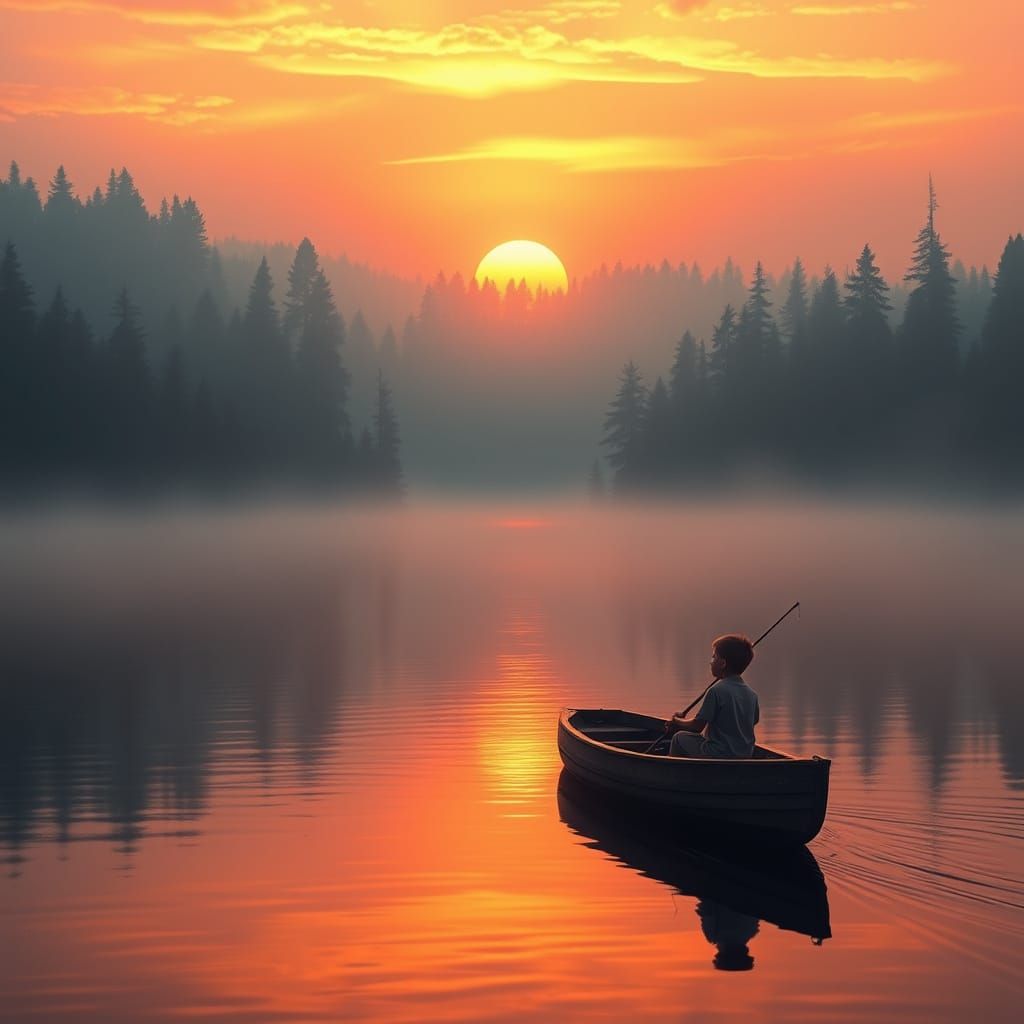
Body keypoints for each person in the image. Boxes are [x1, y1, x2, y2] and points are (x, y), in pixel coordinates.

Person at [666, 634, 759, 758]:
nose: (711, 662)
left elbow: (696, 726)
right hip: (744, 755)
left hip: (718, 754)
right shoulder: (752, 695)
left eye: (713, 657)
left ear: (722, 663)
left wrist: (677, 721)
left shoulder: (716, 691)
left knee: (679, 738)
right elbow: (753, 721)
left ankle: (675, 772)